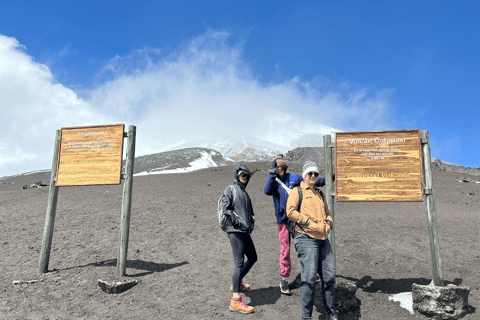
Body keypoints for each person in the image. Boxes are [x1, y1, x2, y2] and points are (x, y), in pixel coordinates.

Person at [264, 155, 325, 295]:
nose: (280, 168)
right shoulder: (273, 181)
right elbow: (266, 190)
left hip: (297, 219)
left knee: (304, 246)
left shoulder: (294, 178)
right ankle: (284, 279)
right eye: (278, 166)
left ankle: (311, 273)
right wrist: (272, 173)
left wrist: (327, 180)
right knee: (285, 250)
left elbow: (310, 181)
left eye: (282, 166)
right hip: (283, 221)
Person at [286, 161, 338, 320]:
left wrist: (329, 224)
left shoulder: (320, 194)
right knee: (308, 279)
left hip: (323, 239)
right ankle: (306, 318)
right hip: (305, 238)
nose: (313, 176)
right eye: (310, 173)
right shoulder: (297, 191)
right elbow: (290, 211)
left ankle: (331, 313)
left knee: (329, 277)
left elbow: (328, 213)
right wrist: (307, 222)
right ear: (304, 175)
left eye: (316, 174)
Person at [221, 163, 257, 314]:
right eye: (243, 175)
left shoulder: (245, 193)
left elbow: (250, 213)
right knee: (238, 261)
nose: (245, 178)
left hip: (244, 231)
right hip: (235, 231)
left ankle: (236, 283)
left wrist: (251, 223)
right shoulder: (230, 189)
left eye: (247, 176)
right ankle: (235, 300)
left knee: (253, 257)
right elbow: (225, 208)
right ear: (237, 175)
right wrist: (237, 221)